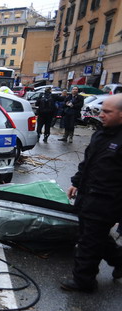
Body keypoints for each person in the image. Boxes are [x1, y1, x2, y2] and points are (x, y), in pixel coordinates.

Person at [61, 93, 122, 293]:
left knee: (89, 241)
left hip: (107, 200)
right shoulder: (101, 133)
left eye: (107, 111)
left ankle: (84, 281)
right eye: (101, 110)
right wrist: (76, 183)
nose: (101, 114)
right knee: (94, 236)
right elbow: (87, 162)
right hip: (88, 195)